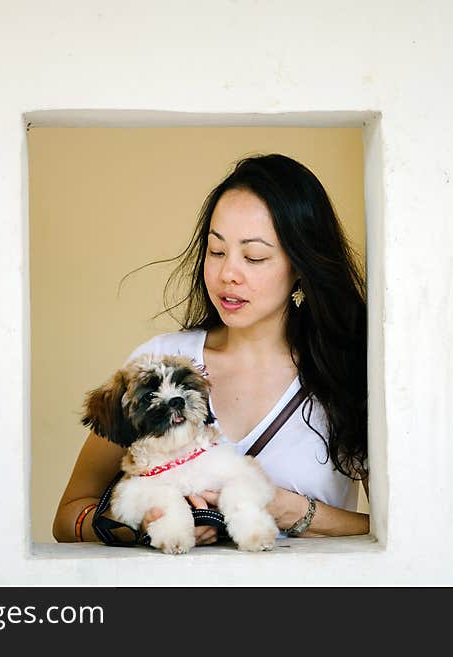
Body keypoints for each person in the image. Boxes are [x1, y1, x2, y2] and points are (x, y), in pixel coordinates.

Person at [52, 153, 369, 545]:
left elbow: (401, 530)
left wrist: (298, 512)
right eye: (216, 251)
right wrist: (141, 524)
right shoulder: (160, 365)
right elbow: (68, 516)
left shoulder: (347, 374)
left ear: (301, 265)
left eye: (254, 256)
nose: (227, 274)